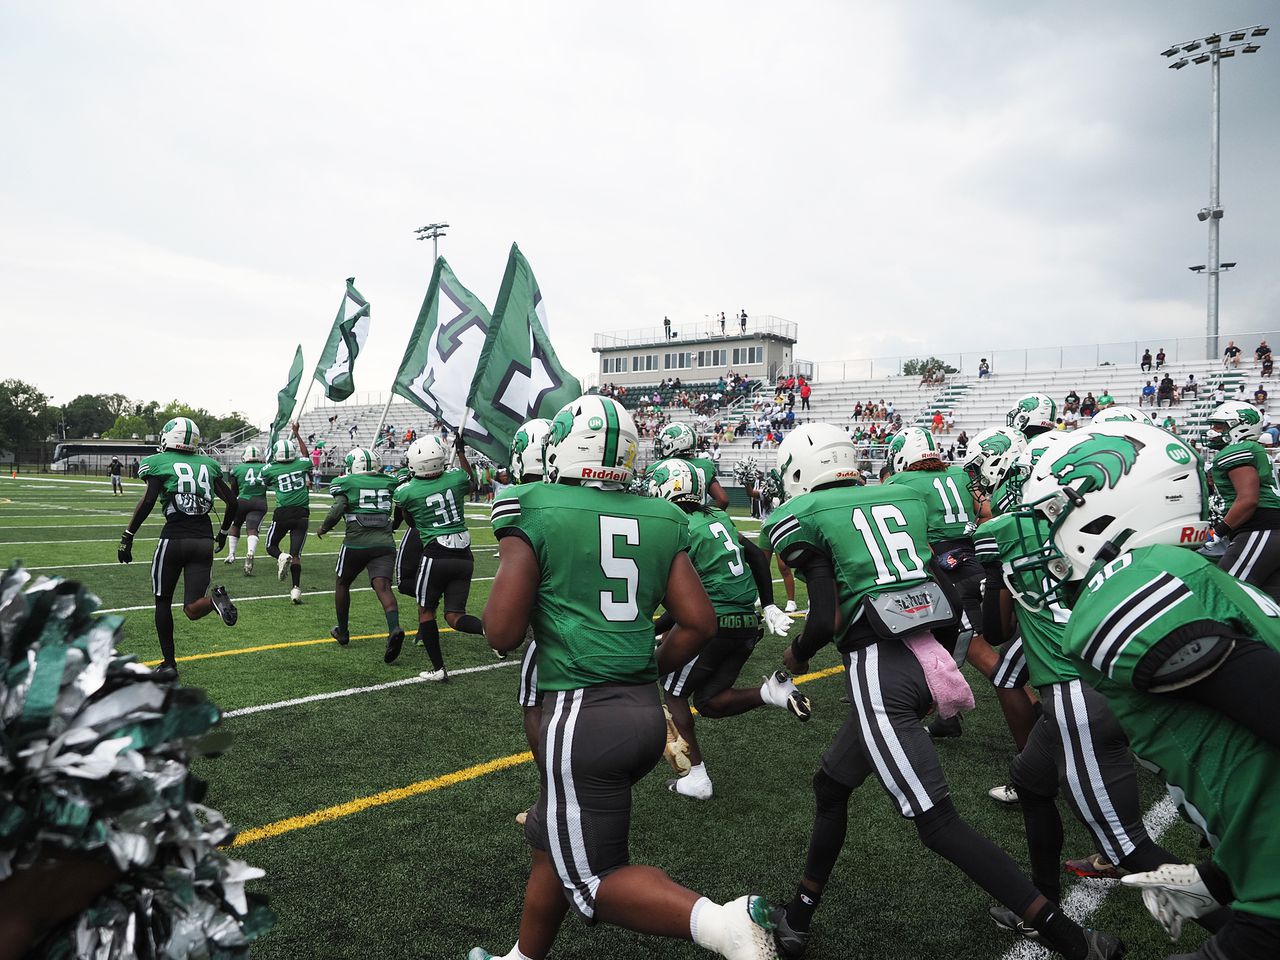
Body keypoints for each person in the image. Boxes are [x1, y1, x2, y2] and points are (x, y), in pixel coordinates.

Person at [763, 424, 1122, 960]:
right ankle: (798, 916)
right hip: (929, 655)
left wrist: (791, 660)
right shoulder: (903, 494)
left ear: (799, 469)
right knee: (831, 786)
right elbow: (947, 583)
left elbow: (821, 620)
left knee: (937, 822)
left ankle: (1074, 943)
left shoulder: (804, 518)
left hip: (878, 671)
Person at [473, 394, 778, 960]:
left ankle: (725, 924)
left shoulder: (533, 505)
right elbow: (698, 622)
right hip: (643, 716)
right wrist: (641, 667)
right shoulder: (661, 515)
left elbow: (501, 632)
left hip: (580, 716)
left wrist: (517, 555)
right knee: (552, 835)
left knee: (594, 878)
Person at [1012, 421, 1280, 960]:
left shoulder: (1127, 586)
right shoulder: (1193, 567)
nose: (1050, 531)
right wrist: (1218, 878)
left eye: (1056, 513)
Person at [651, 460, 804, 801]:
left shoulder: (675, 525)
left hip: (712, 626)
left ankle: (696, 778)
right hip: (746, 625)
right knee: (708, 701)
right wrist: (767, 604)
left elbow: (682, 599)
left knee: (673, 693)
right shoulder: (716, 517)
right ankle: (772, 693)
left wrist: (654, 627)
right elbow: (753, 553)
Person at [117, 417, 238, 673]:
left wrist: (128, 535)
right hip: (204, 539)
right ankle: (215, 601)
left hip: (174, 538)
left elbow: (149, 501)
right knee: (193, 609)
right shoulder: (209, 464)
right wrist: (223, 534)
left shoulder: (157, 462)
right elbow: (233, 503)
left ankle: (169, 663)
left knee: (163, 602)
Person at [393, 434, 485, 679]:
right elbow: (472, 482)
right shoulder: (455, 478)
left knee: (426, 612)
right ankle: (493, 632)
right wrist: (462, 452)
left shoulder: (406, 492)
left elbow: (410, 521)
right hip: (464, 554)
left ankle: (438, 669)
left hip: (436, 553)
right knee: (455, 616)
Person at [317, 447, 404, 656]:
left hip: (356, 543)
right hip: (384, 543)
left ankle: (343, 632)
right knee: (382, 586)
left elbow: (337, 508)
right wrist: (395, 525)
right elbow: (401, 506)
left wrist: (324, 528)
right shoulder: (389, 481)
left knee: (342, 583)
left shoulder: (345, 483)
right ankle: (394, 628)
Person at [1205, 401, 1280, 600]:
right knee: (1267, 605)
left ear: (1241, 425)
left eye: (1219, 426)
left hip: (1260, 528)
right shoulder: (1253, 448)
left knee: (1224, 595)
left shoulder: (1237, 451)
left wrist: (1218, 532)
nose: (1213, 431)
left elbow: (1248, 499)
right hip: (1270, 532)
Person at [263, 424, 313, 605]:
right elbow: (306, 456)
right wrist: (298, 434)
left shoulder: (270, 469)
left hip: (283, 512)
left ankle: (281, 557)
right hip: (302, 514)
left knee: (271, 546)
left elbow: (266, 479)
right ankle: (296, 590)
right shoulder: (302, 463)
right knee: (296, 554)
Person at [651, 423, 730, 509]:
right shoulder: (704, 465)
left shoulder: (657, 467)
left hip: (668, 519)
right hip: (697, 520)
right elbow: (723, 500)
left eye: (663, 444)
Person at [226, 444, 269, 574]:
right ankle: (250, 553)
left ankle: (231, 554)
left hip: (243, 501)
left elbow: (234, 490)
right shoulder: (266, 468)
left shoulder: (237, 469)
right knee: (252, 529)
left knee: (235, 525)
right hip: (260, 501)